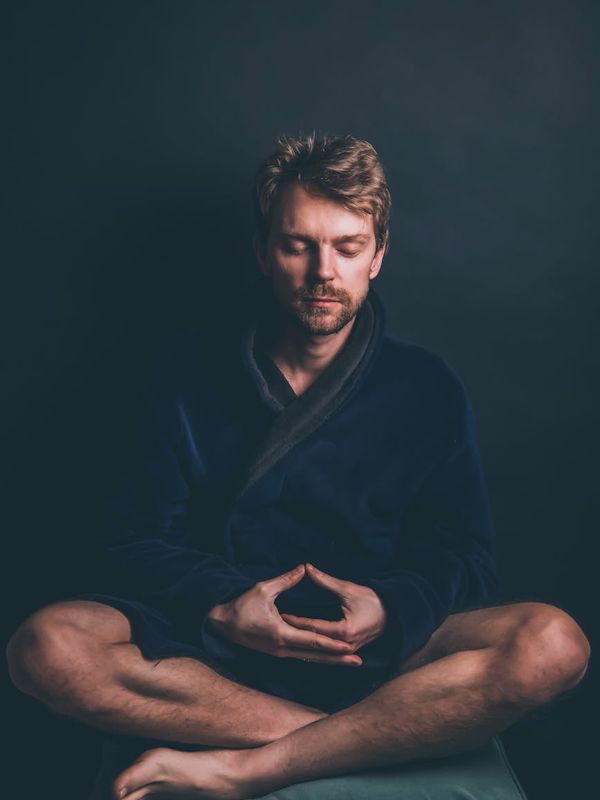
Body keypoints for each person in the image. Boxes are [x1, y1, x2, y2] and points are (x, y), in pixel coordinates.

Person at [6, 132, 590, 799]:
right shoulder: (181, 372)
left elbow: (467, 558)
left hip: (371, 654)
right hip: (218, 655)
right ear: (263, 252)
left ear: (378, 256)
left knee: (554, 643)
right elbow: (123, 540)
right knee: (47, 648)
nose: (323, 272)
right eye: (298, 245)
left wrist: (389, 608)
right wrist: (223, 604)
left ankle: (249, 766)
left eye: (347, 247)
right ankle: (361, 740)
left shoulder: (426, 387)